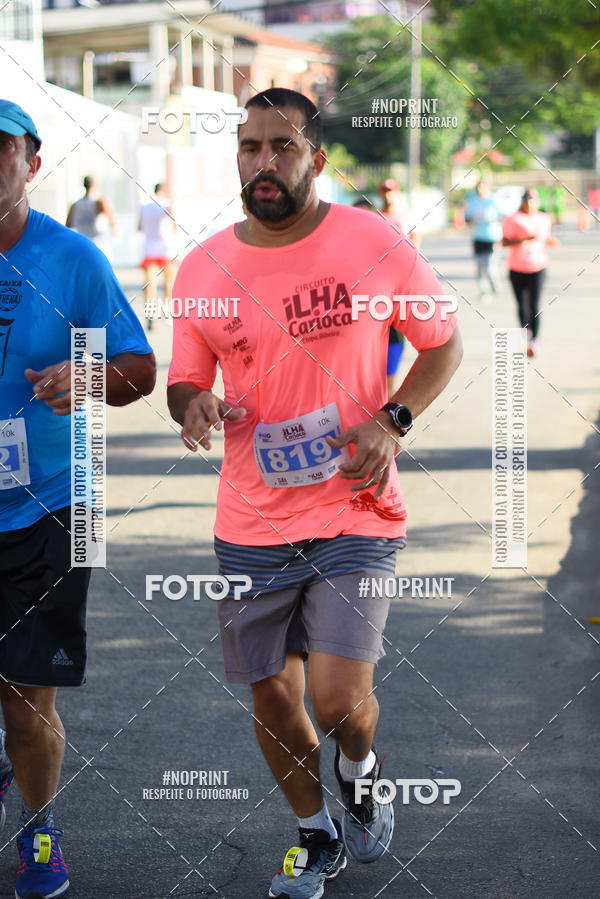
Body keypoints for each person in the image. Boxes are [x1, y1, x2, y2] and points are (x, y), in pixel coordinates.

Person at [167, 87, 462, 899]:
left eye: (283, 147)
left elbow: (442, 342)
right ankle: (315, 831)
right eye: (250, 147)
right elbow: (186, 375)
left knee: (337, 700)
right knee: (272, 693)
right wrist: (191, 402)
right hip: (250, 517)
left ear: (317, 160)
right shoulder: (205, 266)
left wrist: (393, 419)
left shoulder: (372, 241)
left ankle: (362, 770)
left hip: (354, 507)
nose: (264, 163)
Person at [0, 100, 156, 898]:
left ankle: (38, 830)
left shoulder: (75, 260)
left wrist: (87, 375)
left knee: (27, 704)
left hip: (59, 505)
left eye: (2, 151)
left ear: (31, 163)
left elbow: (140, 368)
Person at [353, 198, 405, 395]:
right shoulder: (337, 255)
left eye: (366, 216)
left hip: (390, 331)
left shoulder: (391, 251)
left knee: (388, 387)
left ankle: (389, 423)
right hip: (356, 336)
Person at [502, 188, 558, 357]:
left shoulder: (544, 219)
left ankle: (534, 341)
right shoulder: (512, 219)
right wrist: (522, 239)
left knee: (535, 305)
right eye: (526, 199)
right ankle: (525, 334)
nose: (529, 202)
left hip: (538, 267)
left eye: (533, 199)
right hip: (517, 268)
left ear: (538, 201)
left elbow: (545, 238)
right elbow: (503, 242)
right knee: (522, 305)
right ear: (522, 201)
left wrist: (551, 242)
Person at [139, 182, 177, 331]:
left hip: (149, 249)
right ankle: (167, 315)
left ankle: (150, 316)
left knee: (150, 285)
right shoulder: (166, 204)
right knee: (169, 284)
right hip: (166, 249)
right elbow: (173, 220)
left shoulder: (144, 207)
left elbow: (139, 226)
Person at [463, 177, 503, 300]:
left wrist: (492, 220)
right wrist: (472, 221)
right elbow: (467, 218)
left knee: (490, 266)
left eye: (483, 186)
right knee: (480, 266)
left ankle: (495, 286)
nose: (480, 189)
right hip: (478, 237)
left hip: (493, 237)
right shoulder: (472, 201)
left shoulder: (493, 200)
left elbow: (503, 215)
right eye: (479, 186)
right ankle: (483, 291)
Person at [66, 175, 116, 260]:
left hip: (83, 247)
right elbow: (112, 223)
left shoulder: (75, 205)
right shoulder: (100, 202)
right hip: (100, 246)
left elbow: (67, 226)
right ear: (95, 186)